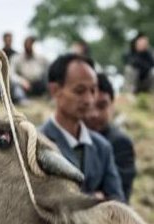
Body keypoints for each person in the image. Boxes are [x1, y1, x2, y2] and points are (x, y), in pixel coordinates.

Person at [40, 54, 124, 202]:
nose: (89, 100)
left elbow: (118, 204)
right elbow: (41, 203)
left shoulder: (102, 147)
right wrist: (94, 199)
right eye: (79, 91)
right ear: (55, 90)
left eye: (93, 91)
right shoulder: (36, 142)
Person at [84, 72, 136, 202]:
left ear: (112, 105)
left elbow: (115, 197)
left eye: (101, 106)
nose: (94, 114)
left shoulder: (120, 143)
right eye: (89, 106)